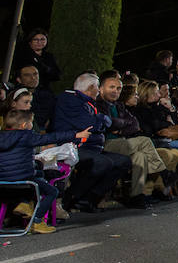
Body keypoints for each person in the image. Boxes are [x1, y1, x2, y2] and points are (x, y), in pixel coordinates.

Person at [53, 72, 133, 213]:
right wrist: (102, 120)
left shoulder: (87, 102)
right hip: (73, 146)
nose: (99, 90)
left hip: (92, 147)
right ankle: (70, 198)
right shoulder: (70, 100)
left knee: (123, 161)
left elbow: (100, 121)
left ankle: (89, 198)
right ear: (91, 87)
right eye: (98, 87)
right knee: (103, 163)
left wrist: (101, 120)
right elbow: (92, 124)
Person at [0, 109, 91, 233]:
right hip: (24, 179)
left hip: (3, 180)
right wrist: (75, 135)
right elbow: (49, 137)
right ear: (24, 125)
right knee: (51, 191)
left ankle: (24, 203)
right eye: (31, 122)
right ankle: (36, 221)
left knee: (39, 173)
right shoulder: (26, 136)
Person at [94, 70, 169, 209]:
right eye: (112, 87)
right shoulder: (98, 104)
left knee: (140, 157)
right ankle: (162, 173)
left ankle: (137, 196)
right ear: (101, 88)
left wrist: (119, 127)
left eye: (118, 88)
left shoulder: (118, 105)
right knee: (144, 141)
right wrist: (121, 124)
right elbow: (107, 124)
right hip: (105, 143)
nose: (115, 91)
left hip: (122, 142)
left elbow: (134, 124)